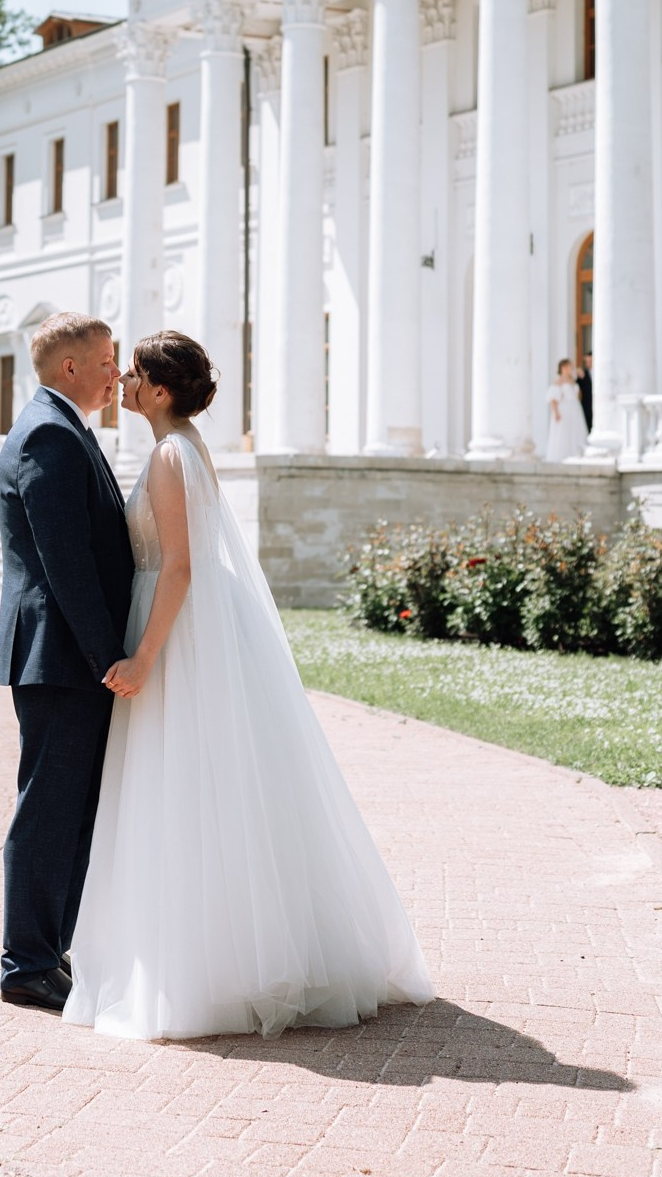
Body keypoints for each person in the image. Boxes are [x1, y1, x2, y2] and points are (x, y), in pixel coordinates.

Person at [64, 330, 434, 1040]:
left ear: (162, 390)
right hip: (190, 624)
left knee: (184, 786)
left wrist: (143, 657)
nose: (126, 384)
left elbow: (178, 566)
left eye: (136, 374)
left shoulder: (173, 455)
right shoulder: (180, 448)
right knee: (201, 788)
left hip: (175, 628)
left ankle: (203, 969)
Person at [0, 312, 136, 1014]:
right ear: (70, 367)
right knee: (49, 808)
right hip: (61, 656)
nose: (118, 371)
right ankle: (25, 962)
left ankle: (50, 950)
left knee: (74, 808)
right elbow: (64, 559)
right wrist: (108, 654)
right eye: (106, 360)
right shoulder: (49, 430)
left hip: (70, 656)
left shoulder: (68, 425)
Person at [543, 357, 590, 462]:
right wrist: (556, 412)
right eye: (569, 366)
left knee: (575, 430)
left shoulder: (573, 380)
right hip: (564, 410)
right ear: (563, 367)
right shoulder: (559, 382)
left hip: (575, 409)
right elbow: (553, 399)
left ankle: (576, 454)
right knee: (564, 432)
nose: (571, 368)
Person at [575, 351, 595, 434]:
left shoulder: (602, 372)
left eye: (590, 360)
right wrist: (576, 371)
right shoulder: (582, 373)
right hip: (587, 406)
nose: (588, 362)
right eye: (587, 361)